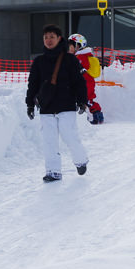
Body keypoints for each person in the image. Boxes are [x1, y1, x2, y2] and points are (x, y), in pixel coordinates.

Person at [25, 24, 90, 181]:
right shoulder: (39, 61)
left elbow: (79, 82)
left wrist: (82, 101)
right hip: (46, 107)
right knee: (49, 140)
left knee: (69, 135)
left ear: (59, 39)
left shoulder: (69, 59)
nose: (48, 40)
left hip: (66, 105)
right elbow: (32, 84)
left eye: (52, 37)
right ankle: (53, 171)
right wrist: (30, 104)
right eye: (46, 37)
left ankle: (81, 160)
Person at [67, 33, 104, 124]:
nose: (69, 48)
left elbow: (80, 69)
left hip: (85, 83)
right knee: (87, 100)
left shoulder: (82, 57)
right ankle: (97, 115)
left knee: (85, 100)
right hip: (85, 82)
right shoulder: (80, 56)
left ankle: (94, 116)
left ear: (78, 46)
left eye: (71, 46)